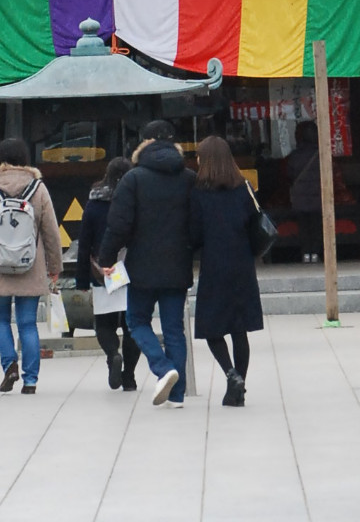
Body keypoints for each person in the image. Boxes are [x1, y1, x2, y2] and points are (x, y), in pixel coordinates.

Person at [100, 118, 192, 406]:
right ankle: (177, 396)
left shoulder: (134, 179)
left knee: (137, 321)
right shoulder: (189, 177)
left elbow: (118, 224)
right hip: (178, 264)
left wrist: (106, 258)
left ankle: (164, 369)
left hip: (142, 266)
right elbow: (198, 222)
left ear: (144, 145)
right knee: (174, 328)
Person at [0, 137, 63, 394]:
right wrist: (55, 265)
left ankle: (10, 364)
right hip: (30, 265)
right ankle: (31, 380)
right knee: (27, 324)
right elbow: (50, 230)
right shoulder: (37, 188)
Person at [189, 135, 266, 406]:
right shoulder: (244, 187)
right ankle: (239, 385)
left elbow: (194, 234)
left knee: (212, 326)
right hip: (243, 264)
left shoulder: (198, 193)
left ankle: (231, 374)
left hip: (214, 265)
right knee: (239, 327)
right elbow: (256, 223)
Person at [76, 155, 140, 390]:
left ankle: (113, 353)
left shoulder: (94, 203)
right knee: (133, 325)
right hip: (134, 268)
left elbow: (84, 243)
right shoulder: (137, 199)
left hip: (104, 270)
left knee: (104, 323)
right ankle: (130, 377)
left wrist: (82, 278)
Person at [286, 117, 324, 262]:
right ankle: (315, 253)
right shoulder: (321, 154)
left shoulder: (295, 156)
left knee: (303, 227)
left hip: (300, 197)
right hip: (318, 196)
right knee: (316, 226)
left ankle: (305, 253)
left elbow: (289, 174)